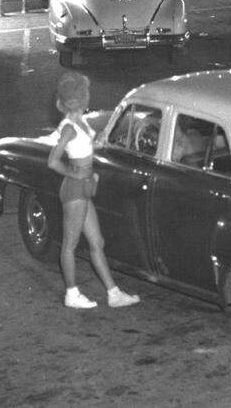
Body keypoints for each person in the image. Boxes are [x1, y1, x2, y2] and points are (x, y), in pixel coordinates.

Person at [47, 72, 140, 310]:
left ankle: (114, 294)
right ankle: (71, 294)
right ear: (81, 98)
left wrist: (97, 145)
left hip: (84, 186)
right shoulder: (69, 128)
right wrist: (73, 173)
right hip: (75, 189)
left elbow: (84, 147)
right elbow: (53, 161)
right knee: (70, 243)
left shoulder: (80, 122)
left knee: (97, 241)